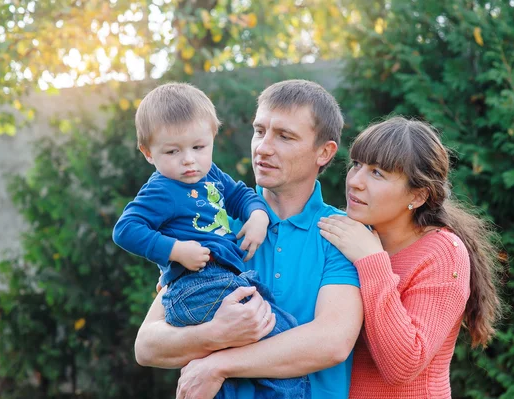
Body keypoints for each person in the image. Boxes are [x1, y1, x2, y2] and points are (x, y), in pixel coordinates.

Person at [133, 79, 363, 399]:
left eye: (284, 136)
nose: (263, 147)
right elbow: (147, 345)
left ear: (324, 152)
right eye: (259, 130)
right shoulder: (212, 222)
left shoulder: (342, 233)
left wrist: (218, 364)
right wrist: (215, 334)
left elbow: (332, 342)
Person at [112, 82, 310, 398]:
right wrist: (175, 250)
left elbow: (239, 195)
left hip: (220, 281)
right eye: (172, 151)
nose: (189, 160)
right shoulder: (161, 190)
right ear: (148, 153)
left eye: (198, 147)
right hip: (196, 285)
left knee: (277, 327)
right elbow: (126, 229)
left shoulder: (211, 175)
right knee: (278, 337)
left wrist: (257, 216)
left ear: (212, 139)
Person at [318, 116, 503, 398]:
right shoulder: (348, 235)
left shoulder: (443, 254)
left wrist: (371, 260)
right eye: (356, 165)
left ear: (417, 196)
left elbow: (403, 366)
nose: (355, 181)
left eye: (377, 173)